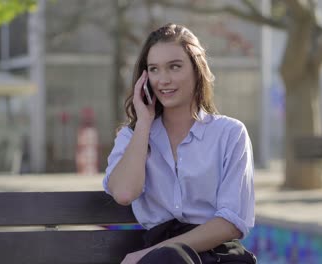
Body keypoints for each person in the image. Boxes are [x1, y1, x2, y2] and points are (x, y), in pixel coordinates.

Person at [103, 23, 256, 264]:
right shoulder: (131, 138)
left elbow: (231, 222)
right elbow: (124, 193)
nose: (163, 79)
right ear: (144, 78)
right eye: (154, 69)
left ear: (197, 70)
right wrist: (144, 122)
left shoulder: (230, 134)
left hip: (216, 256)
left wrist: (147, 255)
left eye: (174, 67)